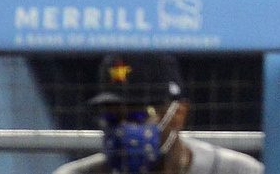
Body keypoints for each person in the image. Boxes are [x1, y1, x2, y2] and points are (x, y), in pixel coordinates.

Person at [59, 53, 264, 174]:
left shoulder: (237, 172)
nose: (123, 129)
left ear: (178, 114)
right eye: (113, 119)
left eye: (137, 118)